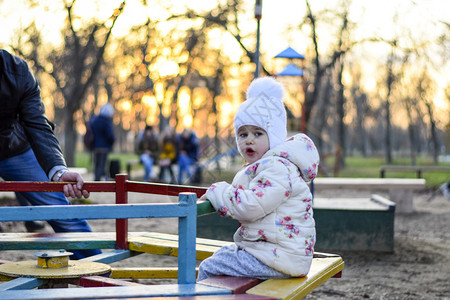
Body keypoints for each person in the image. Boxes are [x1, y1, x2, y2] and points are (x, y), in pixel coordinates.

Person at [197, 77, 319, 281]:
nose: (249, 139)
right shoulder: (271, 166)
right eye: (242, 134)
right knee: (221, 256)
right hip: (277, 253)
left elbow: (250, 206)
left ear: (275, 136)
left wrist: (217, 191)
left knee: (209, 267)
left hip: (279, 258)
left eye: (258, 133)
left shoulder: (277, 168)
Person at [0, 48, 101, 259]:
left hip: (12, 147)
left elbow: (37, 124)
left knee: (59, 211)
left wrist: (58, 171)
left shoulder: (17, 72)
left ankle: (96, 271)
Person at [90, 103, 115, 181]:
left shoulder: (94, 120)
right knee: (102, 165)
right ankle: (98, 181)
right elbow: (110, 135)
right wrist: (112, 141)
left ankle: (96, 180)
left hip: (95, 146)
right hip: (104, 147)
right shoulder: (106, 122)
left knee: (97, 164)